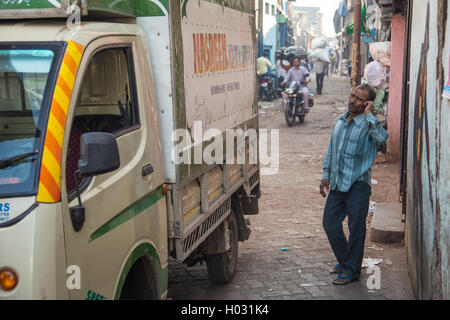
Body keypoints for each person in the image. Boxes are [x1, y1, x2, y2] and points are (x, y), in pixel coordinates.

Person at [320, 84, 388, 285]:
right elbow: (332, 149)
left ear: (367, 103)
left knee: (356, 227)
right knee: (330, 223)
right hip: (338, 182)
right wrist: (326, 174)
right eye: (352, 96)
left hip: (358, 184)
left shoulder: (369, 124)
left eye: (359, 99)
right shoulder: (341, 121)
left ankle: (351, 270)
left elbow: (383, 138)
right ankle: (346, 261)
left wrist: (369, 116)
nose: (352, 100)